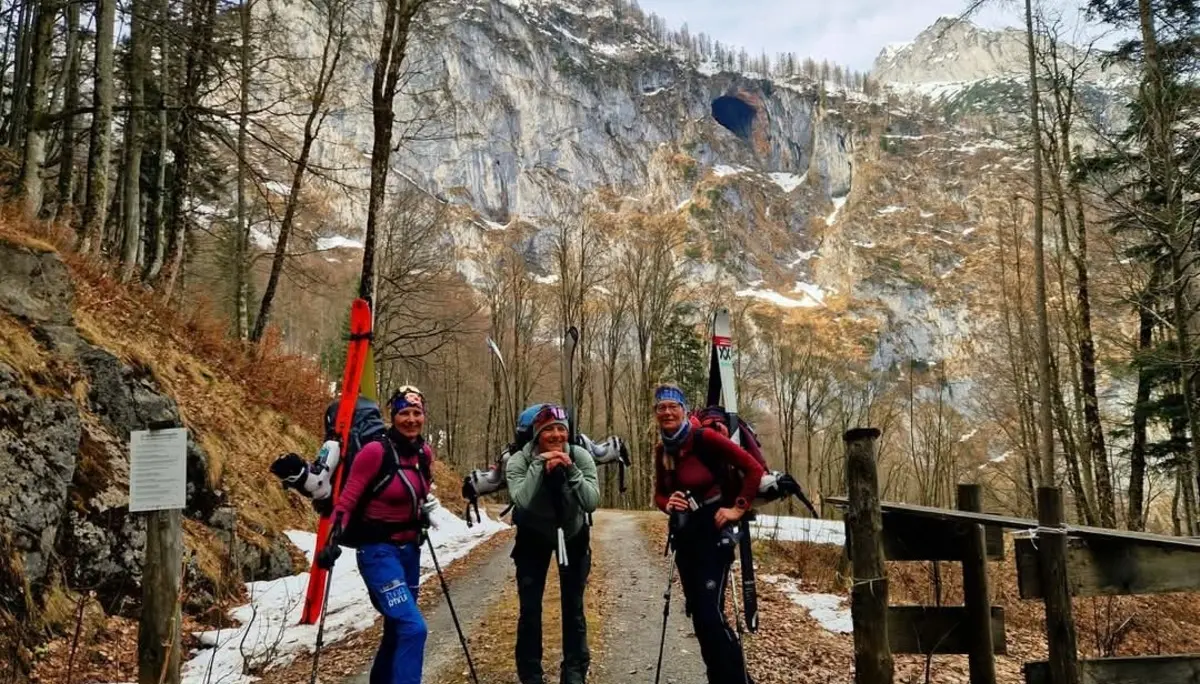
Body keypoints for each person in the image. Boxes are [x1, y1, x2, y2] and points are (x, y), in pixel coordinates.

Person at [315, 386, 436, 684]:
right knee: (413, 628)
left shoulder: (424, 453)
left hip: (410, 551)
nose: (411, 419)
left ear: (424, 416)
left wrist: (420, 515)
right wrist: (332, 540)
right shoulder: (375, 452)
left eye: (416, 413)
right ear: (392, 417)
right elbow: (347, 501)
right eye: (404, 413)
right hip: (378, 554)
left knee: (397, 629)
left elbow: (418, 494)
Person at [651, 383, 764, 684]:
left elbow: (754, 469)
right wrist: (668, 504)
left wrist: (737, 508)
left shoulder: (705, 438)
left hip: (714, 537)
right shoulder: (663, 448)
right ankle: (718, 677)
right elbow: (659, 495)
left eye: (673, 406)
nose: (667, 412)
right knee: (700, 617)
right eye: (661, 407)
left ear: (684, 410)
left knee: (710, 614)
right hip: (686, 539)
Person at [505, 403, 601, 684]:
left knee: (573, 607)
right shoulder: (519, 461)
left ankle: (574, 672)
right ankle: (530, 674)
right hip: (533, 534)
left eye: (561, 430)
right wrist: (539, 464)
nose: (556, 436)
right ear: (536, 436)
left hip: (573, 533)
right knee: (530, 608)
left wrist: (570, 469)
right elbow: (521, 499)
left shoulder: (580, 456)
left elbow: (592, 501)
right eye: (549, 431)